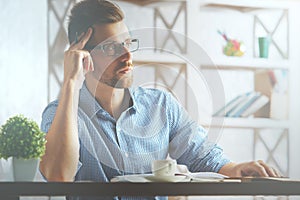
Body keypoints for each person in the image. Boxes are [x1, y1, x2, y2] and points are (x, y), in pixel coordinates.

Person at [40, 0, 281, 198]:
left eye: (127, 43)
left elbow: (202, 156)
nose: (127, 56)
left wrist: (236, 168)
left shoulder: (160, 105)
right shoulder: (60, 114)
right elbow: (58, 176)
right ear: (82, 54)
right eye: (112, 48)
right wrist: (71, 83)